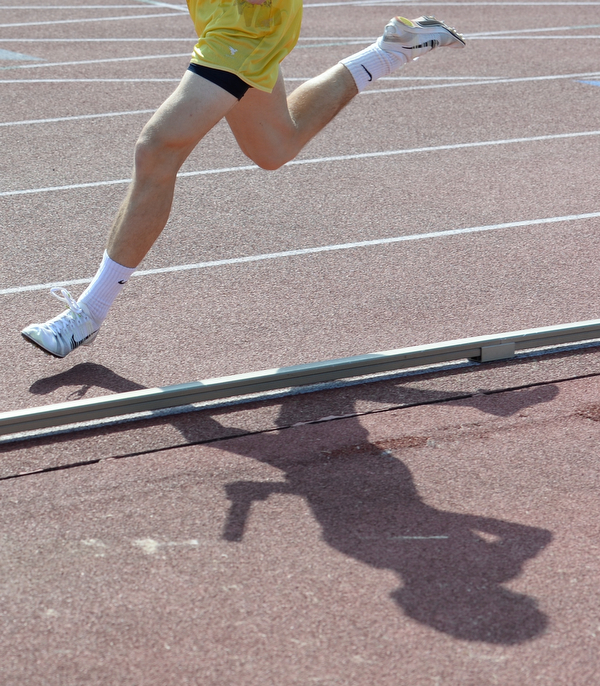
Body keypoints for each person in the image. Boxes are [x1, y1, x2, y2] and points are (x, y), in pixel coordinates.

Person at [21, 8, 464, 358]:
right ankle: (392, 50)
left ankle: (88, 313)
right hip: (225, 19)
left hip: (246, 24)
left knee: (157, 149)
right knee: (274, 148)